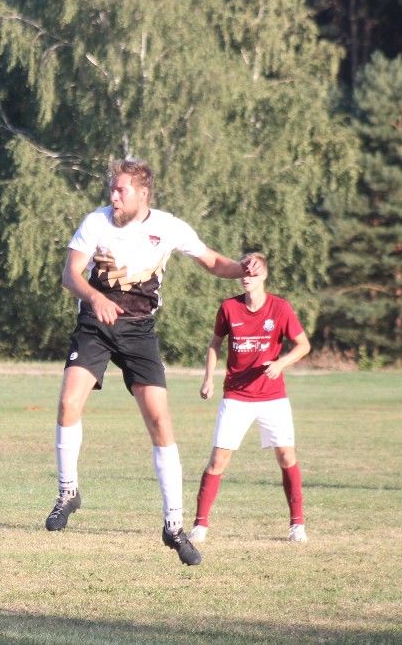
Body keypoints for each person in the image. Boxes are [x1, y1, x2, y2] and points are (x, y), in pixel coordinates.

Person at [46, 158, 264, 567]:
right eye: (111, 189)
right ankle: (68, 493)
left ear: (142, 193)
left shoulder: (169, 227)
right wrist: (95, 298)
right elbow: (70, 273)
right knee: (67, 402)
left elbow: (214, 262)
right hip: (94, 324)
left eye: (120, 190)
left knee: (161, 423)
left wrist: (243, 267)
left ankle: (173, 526)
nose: (112, 196)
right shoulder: (96, 223)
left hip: (139, 332)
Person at [190, 252, 311, 544]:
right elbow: (215, 344)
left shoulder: (280, 308)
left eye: (253, 272)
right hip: (236, 396)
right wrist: (209, 377)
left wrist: (281, 363)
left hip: (272, 398)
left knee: (287, 457)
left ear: (263, 276)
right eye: (244, 270)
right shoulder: (229, 308)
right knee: (218, 461)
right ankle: (200, 525)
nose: (247, 276)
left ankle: (297, 525)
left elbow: (303, 345)